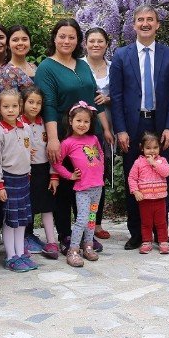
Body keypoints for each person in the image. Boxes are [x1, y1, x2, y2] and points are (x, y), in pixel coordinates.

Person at [35, 18, 114, 252]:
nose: (66, 41)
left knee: (91, 183)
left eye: (71, 36)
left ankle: (88, 233)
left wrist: (106, 128)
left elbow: (93, 98)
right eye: (62, 36)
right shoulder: (47, 68)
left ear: (78, 39)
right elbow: (47, 105)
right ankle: (67, 234)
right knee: (68, 185)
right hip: (64, 136)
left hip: (91, 135)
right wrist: (53, 139)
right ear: (54, 38)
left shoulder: (82, 65)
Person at [109, 5, 169, 251]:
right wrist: (120, 130)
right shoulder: (121, 55)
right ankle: (137, 233)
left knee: (161, 178)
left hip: (159, 125)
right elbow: (115, 96)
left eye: (150, 19)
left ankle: (162, 233)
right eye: (141, 20)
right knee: (134, 178)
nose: (145, 23)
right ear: (134, 25)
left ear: (158, 25)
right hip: (132, 125)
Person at [51, 102, 105, 267]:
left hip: (97, 188)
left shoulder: (94, 138)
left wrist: (100, 168)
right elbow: (57, 163)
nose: (82, 125)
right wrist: (70, 175)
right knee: (81, 218)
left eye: (86, 122)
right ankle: (73, 249)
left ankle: (87, 246)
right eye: (79, 121)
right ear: (70, 121)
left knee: (91, 218)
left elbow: (100, 153)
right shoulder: (67, 142)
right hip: (83, 189)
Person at [0, 90, 38, 272]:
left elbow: (28, 150)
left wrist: (28, 171)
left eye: (14, 106)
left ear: (20, 107)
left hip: (24, 179)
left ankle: (21, 252)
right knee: (10, 220)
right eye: (6, 106)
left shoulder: (25, 128)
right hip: (7, 180)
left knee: (22, 219)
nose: (10, 110)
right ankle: (11, 256)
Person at [20, 85, 59, 259]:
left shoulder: (45, 124)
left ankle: (51, 241)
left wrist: (54, 175)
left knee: (46, 206)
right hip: (24, 172)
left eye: (38, 103)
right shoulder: (18, 124)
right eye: (30, 102)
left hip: (44, 170)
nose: (34, 106)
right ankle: (23, 240)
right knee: (25, 206)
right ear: (22, 103)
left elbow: (52, 153)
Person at [84, 26, 113, 241]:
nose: (96, 45)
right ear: (85, 44)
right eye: (92, 41)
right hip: (83, 128)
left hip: (107, 128)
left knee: (99, 177)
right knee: (81, 177)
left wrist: (109, 98)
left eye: (100, 41)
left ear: (106, 45)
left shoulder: (113, 67)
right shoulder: (78, 66)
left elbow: (124, 92)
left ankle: (97, 222)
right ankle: (80, 223)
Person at [127, 132, 169, 254]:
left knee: (161, 222)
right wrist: (135, 191)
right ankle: (146, 241)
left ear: (160, 148)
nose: (152, 151)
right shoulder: (138, 163)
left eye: (155, 148)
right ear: (142, 148)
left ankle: (163, 241)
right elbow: (132, 178)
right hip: (145, 199)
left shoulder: (162, 161)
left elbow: (166, 173)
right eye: (148, 148)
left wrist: (154, 163)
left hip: (160, 199)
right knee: (146, 222)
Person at [0, 25, 37, 92]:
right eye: (15, 40)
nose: (20, 43)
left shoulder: (34, 67)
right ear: (8, 45)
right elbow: (9, 101)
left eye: (24, 39)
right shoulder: (7, 72)